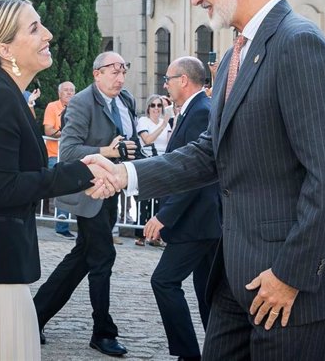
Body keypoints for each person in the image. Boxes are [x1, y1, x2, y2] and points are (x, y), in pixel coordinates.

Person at [94, 0, 325, 360]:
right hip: (235, 280)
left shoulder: (300, 44)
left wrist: (290, 275)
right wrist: (125, 173)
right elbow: (209, 154)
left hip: (290, 289)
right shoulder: (233, 56)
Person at [0, 0, 117, 361]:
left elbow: (16, 176)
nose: (47, 33)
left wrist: (83, 166)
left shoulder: (3, 93)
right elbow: (5, 188)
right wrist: (82, 173)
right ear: (4, 48)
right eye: (34, 28)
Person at [33, 51, 141, 357]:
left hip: (112, 191)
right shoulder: (81, 101)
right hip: (88, 192)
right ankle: (102, 332)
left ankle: (34, 315)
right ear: (96, 73)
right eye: (113, 70)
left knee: (82, 257)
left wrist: (132, 153)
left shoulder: (127, 100)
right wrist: (106, 151)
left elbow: (129, 140)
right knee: (102, 258)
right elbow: (67, 152)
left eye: (124, 70)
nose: (120, 77)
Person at [142, 56, 221, 361]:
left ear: (184, 80)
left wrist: (163, 216)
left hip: (198, 220)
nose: (166, 84)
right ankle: (218, 351)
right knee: (206, 294)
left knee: (163, 281)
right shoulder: (194, 110)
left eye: (169, 78)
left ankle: (189, 355)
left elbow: (195, 174)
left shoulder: (201, 112)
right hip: (203, 221)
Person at [134, 93, 172, 246]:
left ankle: (156, 235)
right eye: (153, 105)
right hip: (147, 161)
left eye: (159, 105)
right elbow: (147, 139)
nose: (156, 108)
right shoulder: (144, 121)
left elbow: (170, 143)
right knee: (144, 199)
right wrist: (162, 126)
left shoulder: (166, 123)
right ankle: (140, 234)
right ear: (148, 107)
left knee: (159, 200)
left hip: (162, 162)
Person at [43, 81, 76, 238]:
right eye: (66, 90)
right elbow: (48, 130)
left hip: (72, 154)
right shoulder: (52, 106)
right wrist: (67, 133)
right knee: (61, 187)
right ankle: (62, 227)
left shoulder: (77, 107)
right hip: (55, 154)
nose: (69, 93)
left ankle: (68, 223)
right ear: (59, 93)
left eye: (72, 90)